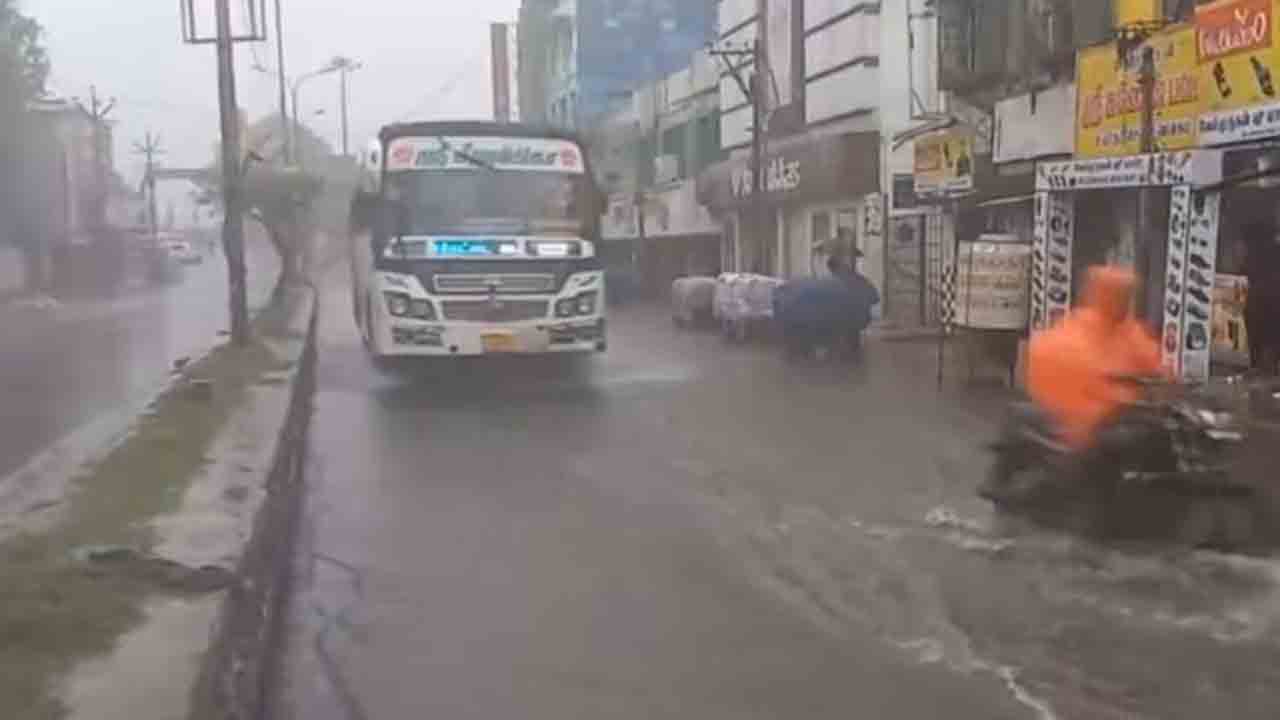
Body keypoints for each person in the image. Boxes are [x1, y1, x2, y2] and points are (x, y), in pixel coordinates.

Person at [1026, 266, 1163, 450]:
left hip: (1121, 416)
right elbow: (1072, 368)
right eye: (1119, 295)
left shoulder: (1128, 330)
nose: (1123, 302)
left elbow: (1153, 362)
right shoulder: (1079, 330)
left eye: (1127, 296)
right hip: (1084, 425)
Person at [1243, 222, 1280, 375]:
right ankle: (1264, 364)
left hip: (1262, 298)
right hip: (1266, 298)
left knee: (1261, 332)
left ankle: (1258, 364)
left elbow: (1248, 270)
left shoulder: (1259, 251)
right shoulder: (1265, 251)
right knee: (1269, 333)